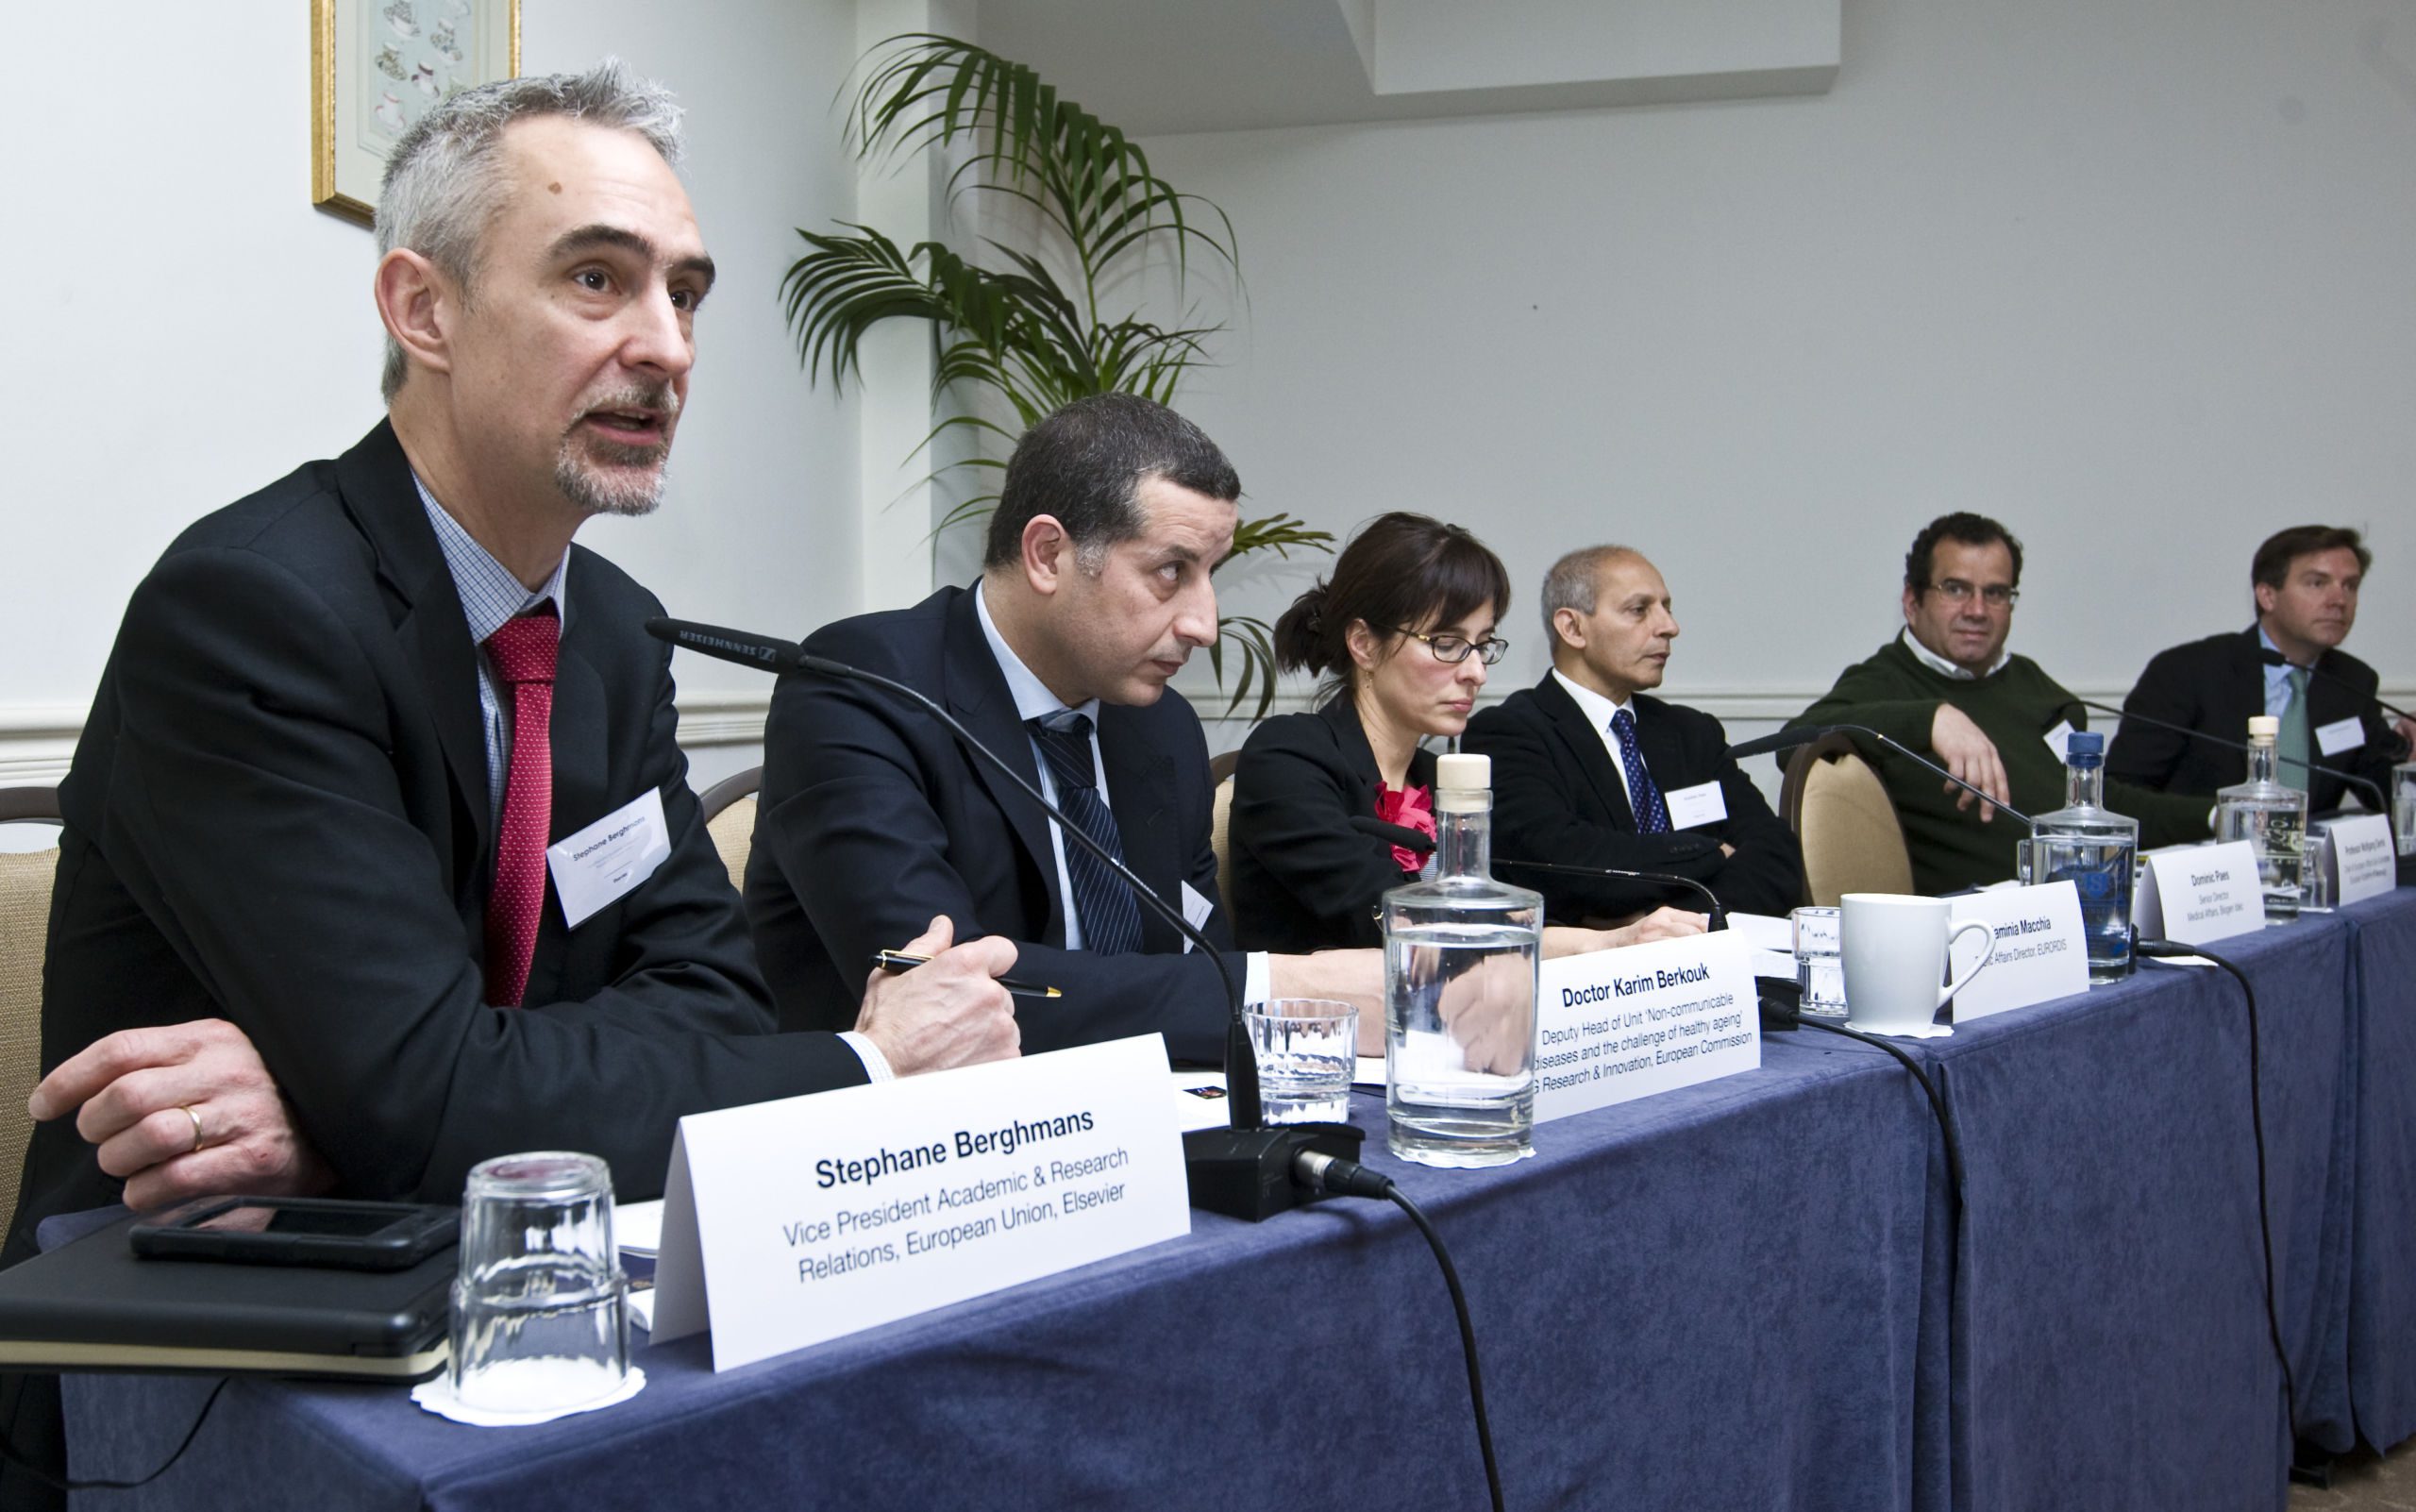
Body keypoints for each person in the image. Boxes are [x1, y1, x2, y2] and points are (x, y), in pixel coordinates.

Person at [7, 63, 1023, 1272]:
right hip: (187, 1298)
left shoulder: (615, 632)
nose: (666, 347)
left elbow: (716, 1001)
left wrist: (364, 1114)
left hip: (505, 1247)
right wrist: (869, 1064)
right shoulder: (253, 608)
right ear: (422, 310)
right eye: (596, 279)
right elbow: (426, 1094)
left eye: (684, 295)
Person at [748, 395, 1434, 1062]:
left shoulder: (1163, 727)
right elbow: (944, 1000)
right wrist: (1283, 986)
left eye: (1211, 573)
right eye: (1171, 571)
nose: (1206, 623)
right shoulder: (860, 687)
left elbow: (1198, 962)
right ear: (1049, 555)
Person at [1228, 514, 1704, 952]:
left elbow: (1508, 906)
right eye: (1447, 643)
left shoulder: (1442, 778)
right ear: (1364, 645)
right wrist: (1600, 944)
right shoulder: (1288, 756)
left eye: (1483, 644)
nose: (1476, 671)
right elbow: (1393, 923)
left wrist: (1621, 936)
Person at [1789, 512, 2209, 894]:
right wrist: (1932, 719)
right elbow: (1793, 741)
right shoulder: (1885, 680)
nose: (1977, 610)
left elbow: (2100, 807)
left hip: (2070, 908)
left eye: (1995, 593)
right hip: (1970, 929)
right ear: (1912, 602)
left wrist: (2215, 816)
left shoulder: (2032, 683)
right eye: (1955, 589)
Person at [1463, 546, 1804, 921]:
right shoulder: (1509, 732)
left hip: (1705, 946)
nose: (1669, 627)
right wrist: (1711, 852)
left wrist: (1663, 923)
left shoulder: (1692, 733)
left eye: (1666, 608)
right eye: (1639, 610)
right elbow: (1567, 865)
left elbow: (1778, 859)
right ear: (1573, 628)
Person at [2107, 526, 2408, 811]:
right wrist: (2214, 818)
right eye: (2317, 583)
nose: (2339, 600)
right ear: (2267, 596)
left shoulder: (2353, 681)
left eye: (2350, 586)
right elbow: (2122, 793)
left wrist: (2410, 760)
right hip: (2203, 845)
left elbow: (2384, 794)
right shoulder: (2187, 671)